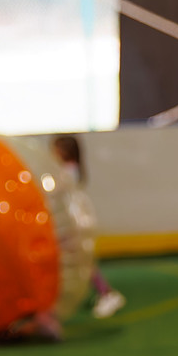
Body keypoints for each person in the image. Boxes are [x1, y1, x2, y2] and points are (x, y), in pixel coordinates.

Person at [50, 135, 125, 319]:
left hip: (72, 223)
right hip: (71, 221)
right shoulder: (67, 170)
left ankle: (106, 293)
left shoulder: (68, 172)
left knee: (81, 262)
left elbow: (58, 193)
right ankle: (103, 292)